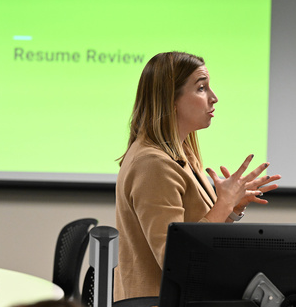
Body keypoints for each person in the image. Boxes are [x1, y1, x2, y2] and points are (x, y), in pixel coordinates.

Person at [114, 51, 281, 301]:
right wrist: (222, 204)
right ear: (170, 99)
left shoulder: (183, 154)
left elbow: (199, 231)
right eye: (201, 88)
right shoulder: (153, 163)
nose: (214, 98)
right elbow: (176, 260)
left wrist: (231, 208)